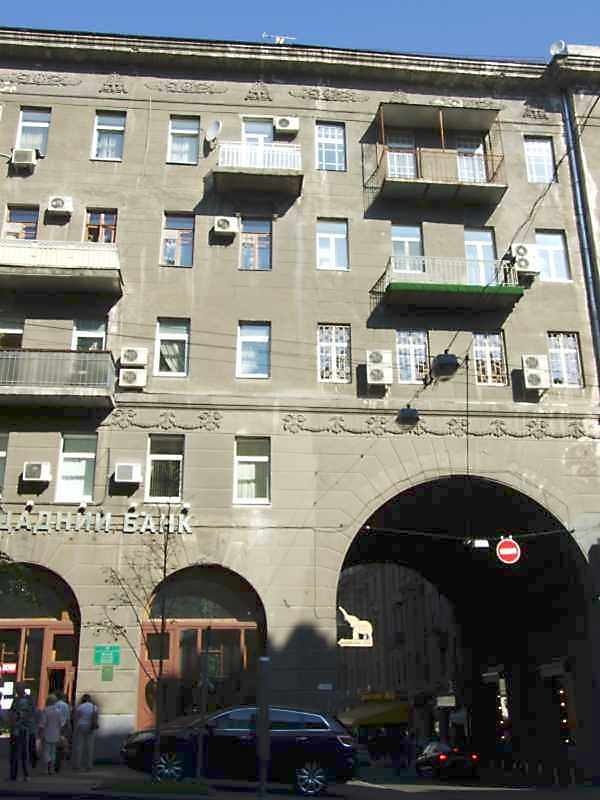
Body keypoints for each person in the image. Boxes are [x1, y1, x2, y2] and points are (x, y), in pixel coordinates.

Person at [7, 683, 36, 782]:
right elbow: (12, 712)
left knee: (23, 753)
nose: (16, 691)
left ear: (22, 689)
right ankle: (14, 775)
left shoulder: (27, 700)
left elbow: (28, 714)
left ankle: (24, 774)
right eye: (16, 689)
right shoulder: (17, 700)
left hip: (23, 730)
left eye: (18, 689)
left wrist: (16, 716)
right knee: (15, 753)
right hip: (16, 729)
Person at [72, 694, 98, 771]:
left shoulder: (80, 707)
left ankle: (77, 765)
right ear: (90, 699)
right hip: (90, 727)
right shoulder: (94, 707)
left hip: (81, 726)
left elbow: (76, 717)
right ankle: (89, 765)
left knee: (79, 746)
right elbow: (96, 717)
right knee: (90, 746)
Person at [40, 695, 63, 775]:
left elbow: (42, 723)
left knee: (46, 752)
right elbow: (61, 724)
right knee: (53, 752)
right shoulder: (58, 711)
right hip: (56, 734)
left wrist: (40, 733)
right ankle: (52, 769)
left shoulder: (46, 710)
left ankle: (46, 769)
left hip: (46, 733)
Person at [53, 692, 71, 774]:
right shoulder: (65, 705)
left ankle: (54, 763)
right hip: (63, 728)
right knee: (62, 747)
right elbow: (67, 718)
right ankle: (59, 764)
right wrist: (69, 728)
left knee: (54, 746)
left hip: (54, 727)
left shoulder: (54, 705)